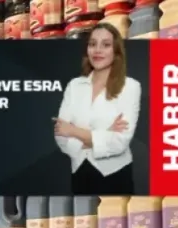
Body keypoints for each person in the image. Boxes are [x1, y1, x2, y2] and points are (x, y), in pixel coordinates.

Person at [54, 23, 141, 195]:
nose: (97, 50)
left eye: (106, 45)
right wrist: (105, 133)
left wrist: (73, 130)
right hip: (79, 174)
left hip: (115, 175)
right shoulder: (74, 86)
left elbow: (119, 142)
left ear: (116, 51)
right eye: (93, 44)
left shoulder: (130, 87)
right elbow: (60, 136)